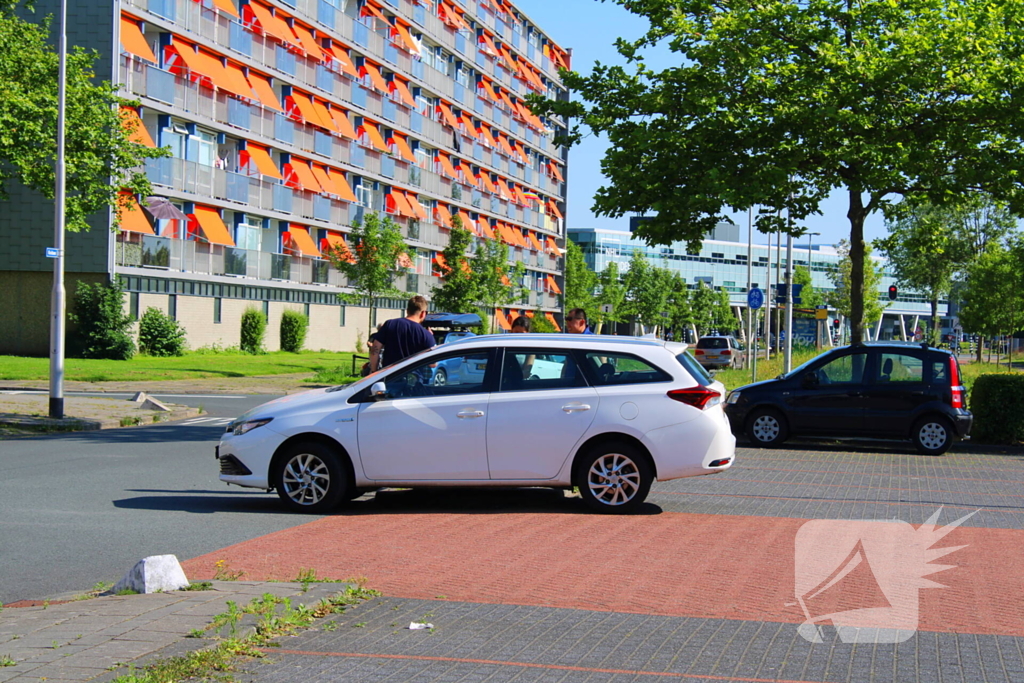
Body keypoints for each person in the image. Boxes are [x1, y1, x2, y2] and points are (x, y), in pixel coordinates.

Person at [369, 296, 435, 372]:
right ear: (423, 313)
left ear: (407, 311)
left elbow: (375, 349)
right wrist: (431, 337)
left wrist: (373, 371)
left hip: (390, 377)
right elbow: (433, 363)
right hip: (413, 380)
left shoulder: (389, 324)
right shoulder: (425, 333)